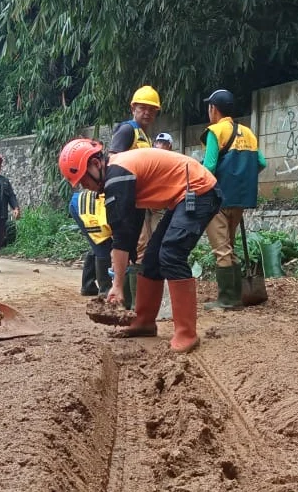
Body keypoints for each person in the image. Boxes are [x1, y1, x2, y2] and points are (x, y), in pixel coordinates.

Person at [59, 139, 221, 353]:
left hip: (199, 191)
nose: (84, 187)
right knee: (152, 257)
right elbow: (130, 224)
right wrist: (130, 257)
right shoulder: (118, 174)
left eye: (83, 179)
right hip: (184, 195)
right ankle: (144, 321)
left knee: (171, 253)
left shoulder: (118, 175)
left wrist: (117, 286)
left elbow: (121, 233)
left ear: (96, 164)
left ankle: (186, 332)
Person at [200, 89, 266, 310]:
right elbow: (261, 163)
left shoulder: (214, 131)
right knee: (229, 245)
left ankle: (227, 299)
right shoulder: (248, 133)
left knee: (221, 249)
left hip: (217, 199)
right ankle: (236, 296)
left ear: (214, 109)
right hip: (239, 199)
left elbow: (208, 167)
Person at [108, 85, 162, 303]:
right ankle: (131, 302)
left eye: (152, 109)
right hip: (126, 199)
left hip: (140, 201)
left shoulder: (144, 137)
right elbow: (113, 158)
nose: (147, 112)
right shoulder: (127, 130)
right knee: (136, 247)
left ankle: (131, 301)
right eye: (143, 108)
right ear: (133, 108)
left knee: (139, 248)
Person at [69, 188, 113, 296]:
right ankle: (105, 290)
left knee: (97, 243)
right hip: (83, 208)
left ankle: (88, 285)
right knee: (102, 244)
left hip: (83, 204)